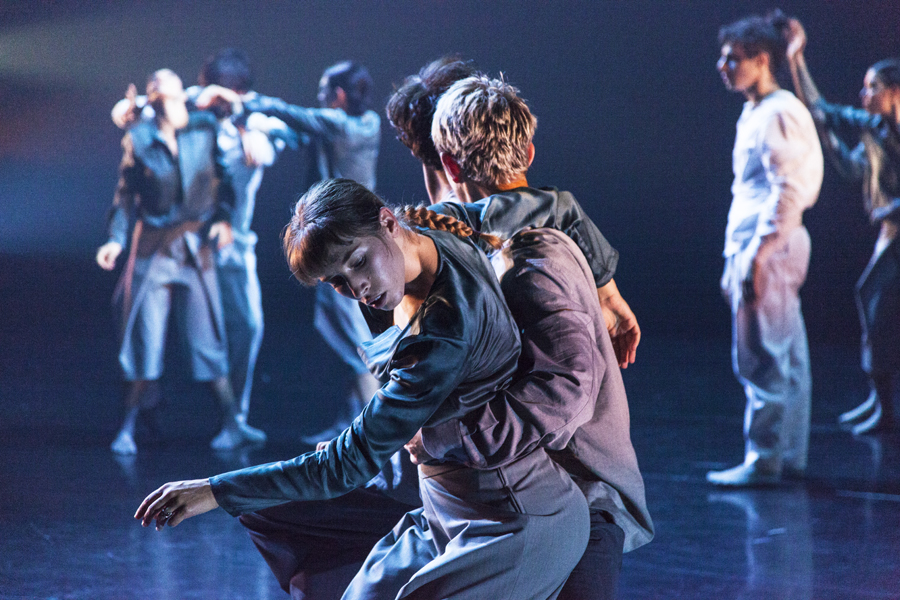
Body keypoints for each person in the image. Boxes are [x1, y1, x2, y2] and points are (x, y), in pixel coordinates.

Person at [135, 178, 590, 600]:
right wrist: (610, 293)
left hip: (512, 521)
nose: (358, 288)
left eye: (357, 262)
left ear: (388, 223)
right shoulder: (436, 225)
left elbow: (343, 465)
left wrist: (214, 491)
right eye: (337, 280)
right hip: (445, 515)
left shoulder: (443, 336)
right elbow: (555, 203)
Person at [420, 73, 652, 599]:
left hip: (574, 501)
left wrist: (448, 439)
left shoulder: (526, 258)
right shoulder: (527, 235)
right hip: (556, 498)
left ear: (450, 167)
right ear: (528, 151)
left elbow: (565, 389)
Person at [110, 49, 293, 435]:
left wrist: (244, 127)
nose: (208, 98)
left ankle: (234, 418)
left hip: (230, 244)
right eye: (205, 91)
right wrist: (130, 111)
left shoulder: (251, 121)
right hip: (185, 240)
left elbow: (273, 142)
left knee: (241, 328)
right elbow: (132, 110)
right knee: (141, 322)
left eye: (221, 93)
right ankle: (144, 403)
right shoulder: (188, 110)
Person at [198, 61, 382, 440]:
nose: (319, 97)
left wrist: (245, 103)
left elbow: (291, 114)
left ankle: (378, 439)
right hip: (345, 238)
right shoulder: (360, 122)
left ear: (339, 95)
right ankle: (352, 425)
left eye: (324, 90)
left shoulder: (345, 124)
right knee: (350, 339)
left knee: (358, 347)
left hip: (346, 243)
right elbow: (297, 130)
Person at [707, 11, 824, 486]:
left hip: (769, 245)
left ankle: (766, 457)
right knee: (785, 354)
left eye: (734, 58)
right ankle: (786, 455)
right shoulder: (757, 111)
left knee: (762, 355)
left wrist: (758, 255)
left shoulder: (778, 112)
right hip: (764, 243)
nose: (723, 66)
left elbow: (788, 190)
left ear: (761, 60)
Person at [785, 20, 900, 434]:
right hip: (892, 236)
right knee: (873, 306)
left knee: (877, 305)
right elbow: (821, 110)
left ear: (896, 93)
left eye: (873, 88)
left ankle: (885, 407)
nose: (864, 95)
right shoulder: (874, 128)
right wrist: (796, 58)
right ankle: (881, 405)